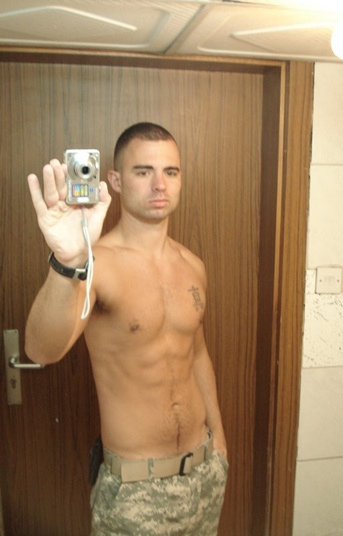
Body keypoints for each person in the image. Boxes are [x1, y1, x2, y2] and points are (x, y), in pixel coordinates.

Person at [25, 122, 228, 535]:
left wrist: (220, 443)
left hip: (204, 473)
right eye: (143, 171)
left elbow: (197, 355)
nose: (159, 184)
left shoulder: (193, 265)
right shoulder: (96, 264)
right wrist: (67, 263)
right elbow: (41, 350)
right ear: (115, 181)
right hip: (136, 490)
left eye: (170, 172)